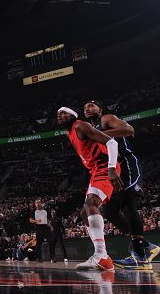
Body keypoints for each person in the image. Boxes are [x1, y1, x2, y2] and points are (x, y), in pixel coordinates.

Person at [84, 100, 159, 269]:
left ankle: (140, 257)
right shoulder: (91, 130)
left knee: (128, 205)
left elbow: (129, 130)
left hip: (126, 165)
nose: (87, 109)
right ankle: (146, 246)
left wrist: (102, 134)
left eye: (91, 106)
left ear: (100, 109)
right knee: (110, 211)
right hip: (111, 169)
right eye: (85, 108)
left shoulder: (106, 119)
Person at [56, 106, 122, 271]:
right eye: (58, 114)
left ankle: (101, 255)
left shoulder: (80, 125)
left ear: (73, 115)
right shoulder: (69, 132)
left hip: (104, 167)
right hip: (94, 171)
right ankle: (103, 257)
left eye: (64, 113)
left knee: (91, 204)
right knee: (85, 213)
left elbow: (111, 142)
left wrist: (112, 168)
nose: (60, 116)